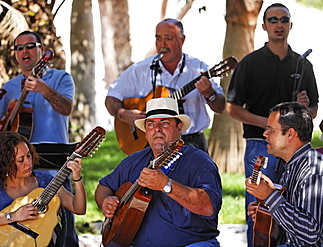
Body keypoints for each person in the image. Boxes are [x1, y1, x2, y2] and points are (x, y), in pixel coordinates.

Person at [226, 3, 319, 245]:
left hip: (293, 148)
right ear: (264, 25)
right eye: (274, 20)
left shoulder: (303, 64)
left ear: (290, 25)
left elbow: (313, 111)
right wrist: (271, 127)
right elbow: (232, 108)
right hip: (260, 146)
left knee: (291, 207)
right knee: (259, 213)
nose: (279, 24)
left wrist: (303, 109)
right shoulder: (250, 63)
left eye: (284, 20)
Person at [95, 97, 222, 246]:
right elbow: (104, 186)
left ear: (179, 128)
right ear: (146, 132)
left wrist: (166, 185)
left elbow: (209, 207)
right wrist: (105, 201)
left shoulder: (199, 162)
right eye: (151, 124)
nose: (157, 129)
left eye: (165, 123)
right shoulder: (134, 160)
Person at [0, 31, 79, 246]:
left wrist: (45, 90)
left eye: (30, 46)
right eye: (19, 48)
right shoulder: (9, 86)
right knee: (25, 232)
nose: (24, 52)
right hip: (20, 173)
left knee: (64, 228)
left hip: (54, 168)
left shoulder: (61, 78)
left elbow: (67, 108)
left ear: (41, 49)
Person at [105, 18, 225, 153]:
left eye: (168, 38)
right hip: (152, 145)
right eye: (158, 38)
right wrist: (123, 114)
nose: (162, 44)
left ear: (182, 39)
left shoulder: (198, 69)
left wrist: (210, 94)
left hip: (192, 143)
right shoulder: (141, 69)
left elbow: (220, 107)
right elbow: (111, 98)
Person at [0, 132, 86, 246]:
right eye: (21, 160)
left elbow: (79, 208)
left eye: (28, 156)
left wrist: (77, 178)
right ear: (6, 164)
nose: (28, 162)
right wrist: (13, 216)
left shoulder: (45, 181)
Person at [246, 102, 323, 246]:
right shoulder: (291, 165)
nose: (265, 134)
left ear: (290, 134)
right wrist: (267, 214)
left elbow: (310, 233)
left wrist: (269, 196)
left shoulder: (313, 170)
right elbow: (295, 219)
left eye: (270, 130)